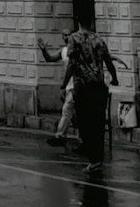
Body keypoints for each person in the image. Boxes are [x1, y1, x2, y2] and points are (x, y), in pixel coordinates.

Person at [64, 20, 117, 179]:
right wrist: (114, 78)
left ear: (79, 21)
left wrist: (64, 84)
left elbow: (72, 63)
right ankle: (96, 160)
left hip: (83, 88)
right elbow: (108, 61)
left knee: (85, 123)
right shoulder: (99, 40)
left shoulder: (74, 39)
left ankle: (92, 157)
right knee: (98, 124)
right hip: (99, 87)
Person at [40, 30, 77, 145]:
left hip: (76, 85)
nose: (66, 37)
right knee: (71, 112)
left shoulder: (77, 50)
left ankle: (60, 136)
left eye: (68, 34)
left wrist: (63, 85)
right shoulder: (64, 50)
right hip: (68, 86)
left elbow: (71, 68)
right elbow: (50, 58)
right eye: (64, 35)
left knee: (66, 110)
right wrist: (43, 50)